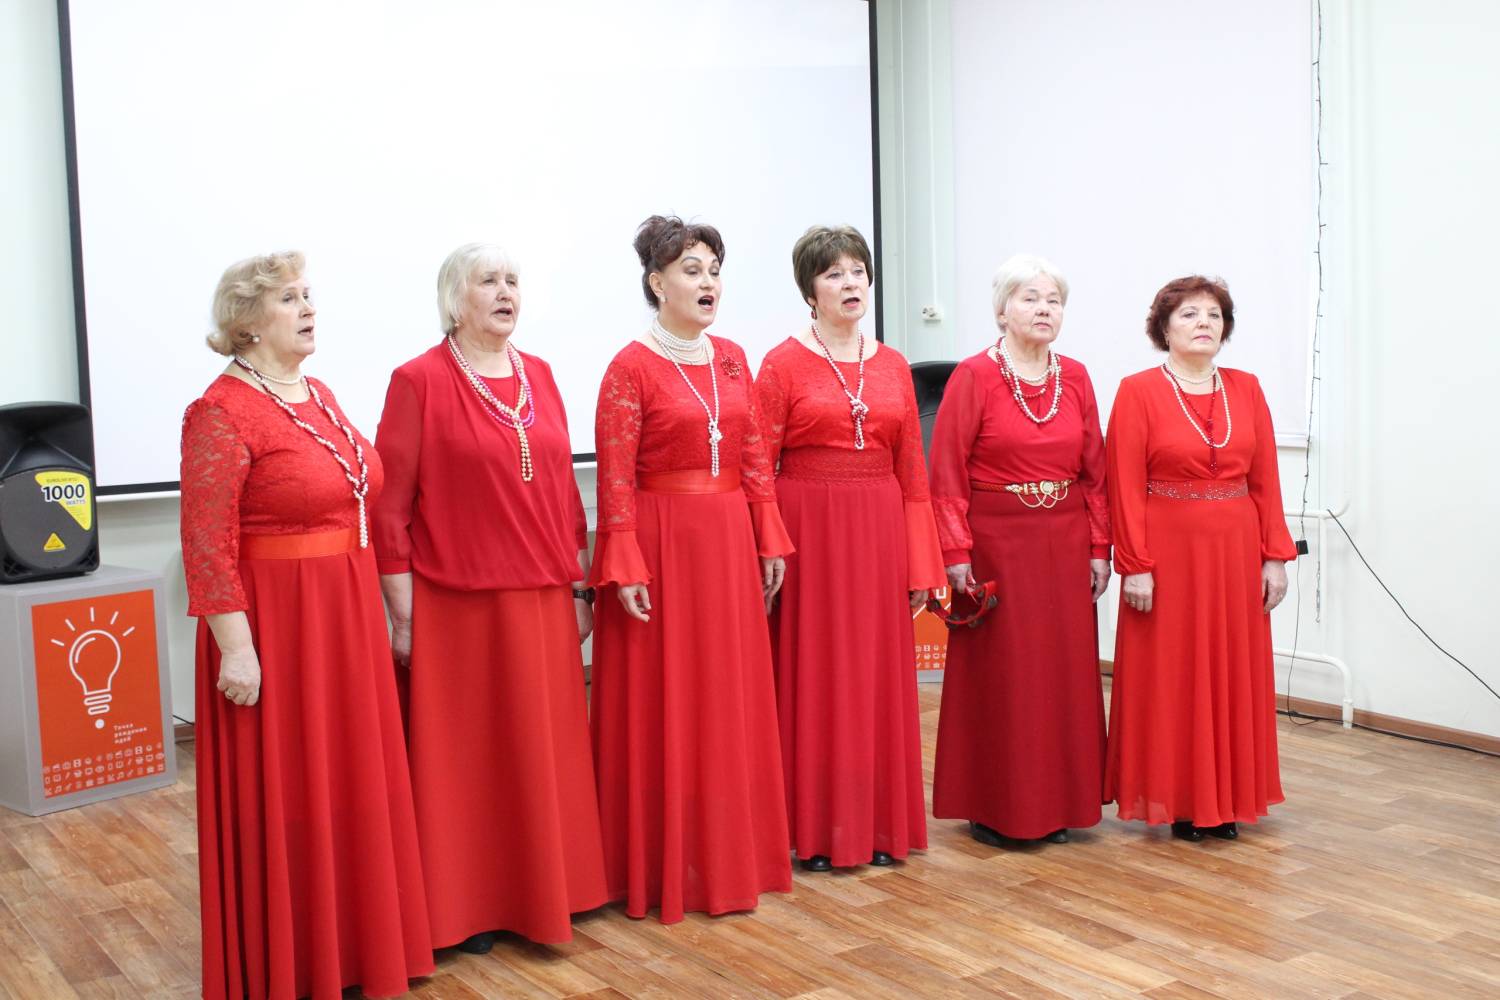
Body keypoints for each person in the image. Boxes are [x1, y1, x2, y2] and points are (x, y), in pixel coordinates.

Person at [180, 251, 432, 999]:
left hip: (343, 614)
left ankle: (355, 950)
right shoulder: (219, 411)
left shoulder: (317, 393)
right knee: (291, 790)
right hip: (277, 626)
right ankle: (292, 963)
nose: (308, 308)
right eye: (290, 298)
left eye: (308, 294)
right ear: (248, 323)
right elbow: (206, 545)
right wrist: (237, 649)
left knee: (350, 783)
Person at [371, 243, 608, 953]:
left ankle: (551, 891)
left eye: (512, 281)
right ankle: (468, 909)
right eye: (488, 281)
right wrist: (403, 613)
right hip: (457, 606)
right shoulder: (417, 380)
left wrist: (579, 585)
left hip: (541, 598)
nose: (505, 292)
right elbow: (389, 510)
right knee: (468, 766)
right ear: (456, 299)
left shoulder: (541, 374)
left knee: (543, 755)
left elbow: (564, 494)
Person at [588, 214, 793, 923]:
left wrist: (768, 538)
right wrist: (624, 560)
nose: (709, 283)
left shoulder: (733, 357)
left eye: (714, 270)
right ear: (656, 283)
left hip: (727, 538)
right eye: (692, 270)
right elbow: (614, 476)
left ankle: (730, 856)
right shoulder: (629, 366)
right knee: (666, 696)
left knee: (726, 694)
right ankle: (658, 864)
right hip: (662, 541)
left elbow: (755, 456)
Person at [754, 225, 944, 872]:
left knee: (876, 675)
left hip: (880, 525)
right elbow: (758, 464)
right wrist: (768, 544)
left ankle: (880, 825)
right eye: (834, 273)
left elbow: (913, 469)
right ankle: (813, 830)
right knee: (816, 675)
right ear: (810, 290)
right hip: (808, 529)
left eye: (858, 271)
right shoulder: (781, 363)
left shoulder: (891, 364)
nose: (850, 283)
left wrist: (922, 561)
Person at [928, 254, 1112, 846]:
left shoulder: (1076, 376)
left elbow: (1095, 472)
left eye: (1053, 300)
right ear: (1002, 310)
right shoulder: (974, 376)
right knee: (1006, 675)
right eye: (1030, 298)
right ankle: (996, 805)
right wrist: (955, 551)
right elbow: (946, 471)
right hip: (996, 543)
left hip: (1065, 539)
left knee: (1061, 674)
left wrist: (1100, 545)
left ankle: (1060, 804)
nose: (1043, 309)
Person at [1105, 275, 1296, 841]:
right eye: (1188, 314)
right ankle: (1181, 800)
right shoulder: (1138, 391)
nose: (1203, 323)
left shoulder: (1247, 388)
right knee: (1174, 674)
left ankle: (1227, 798)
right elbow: (1124, 486)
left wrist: (1275, 557)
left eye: (1213, 314)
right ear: (1163, 328)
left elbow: (1266, 481)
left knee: (1232, 671)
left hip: (1236, 552)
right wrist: (1136, 563)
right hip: (1167, 554)